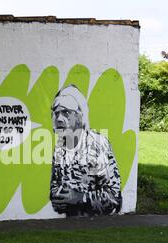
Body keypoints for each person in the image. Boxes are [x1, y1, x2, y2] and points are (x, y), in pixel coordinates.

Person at [50, 84, 122, 217]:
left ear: (79, 116)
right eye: (56, 113)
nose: (58, 118)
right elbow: (55, 189)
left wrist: (79, 198)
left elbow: (113, 197)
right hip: (70, 226)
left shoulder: (96, 145)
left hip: (99, 227)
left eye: (65, 112)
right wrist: (59, 199)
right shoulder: (60, 148)